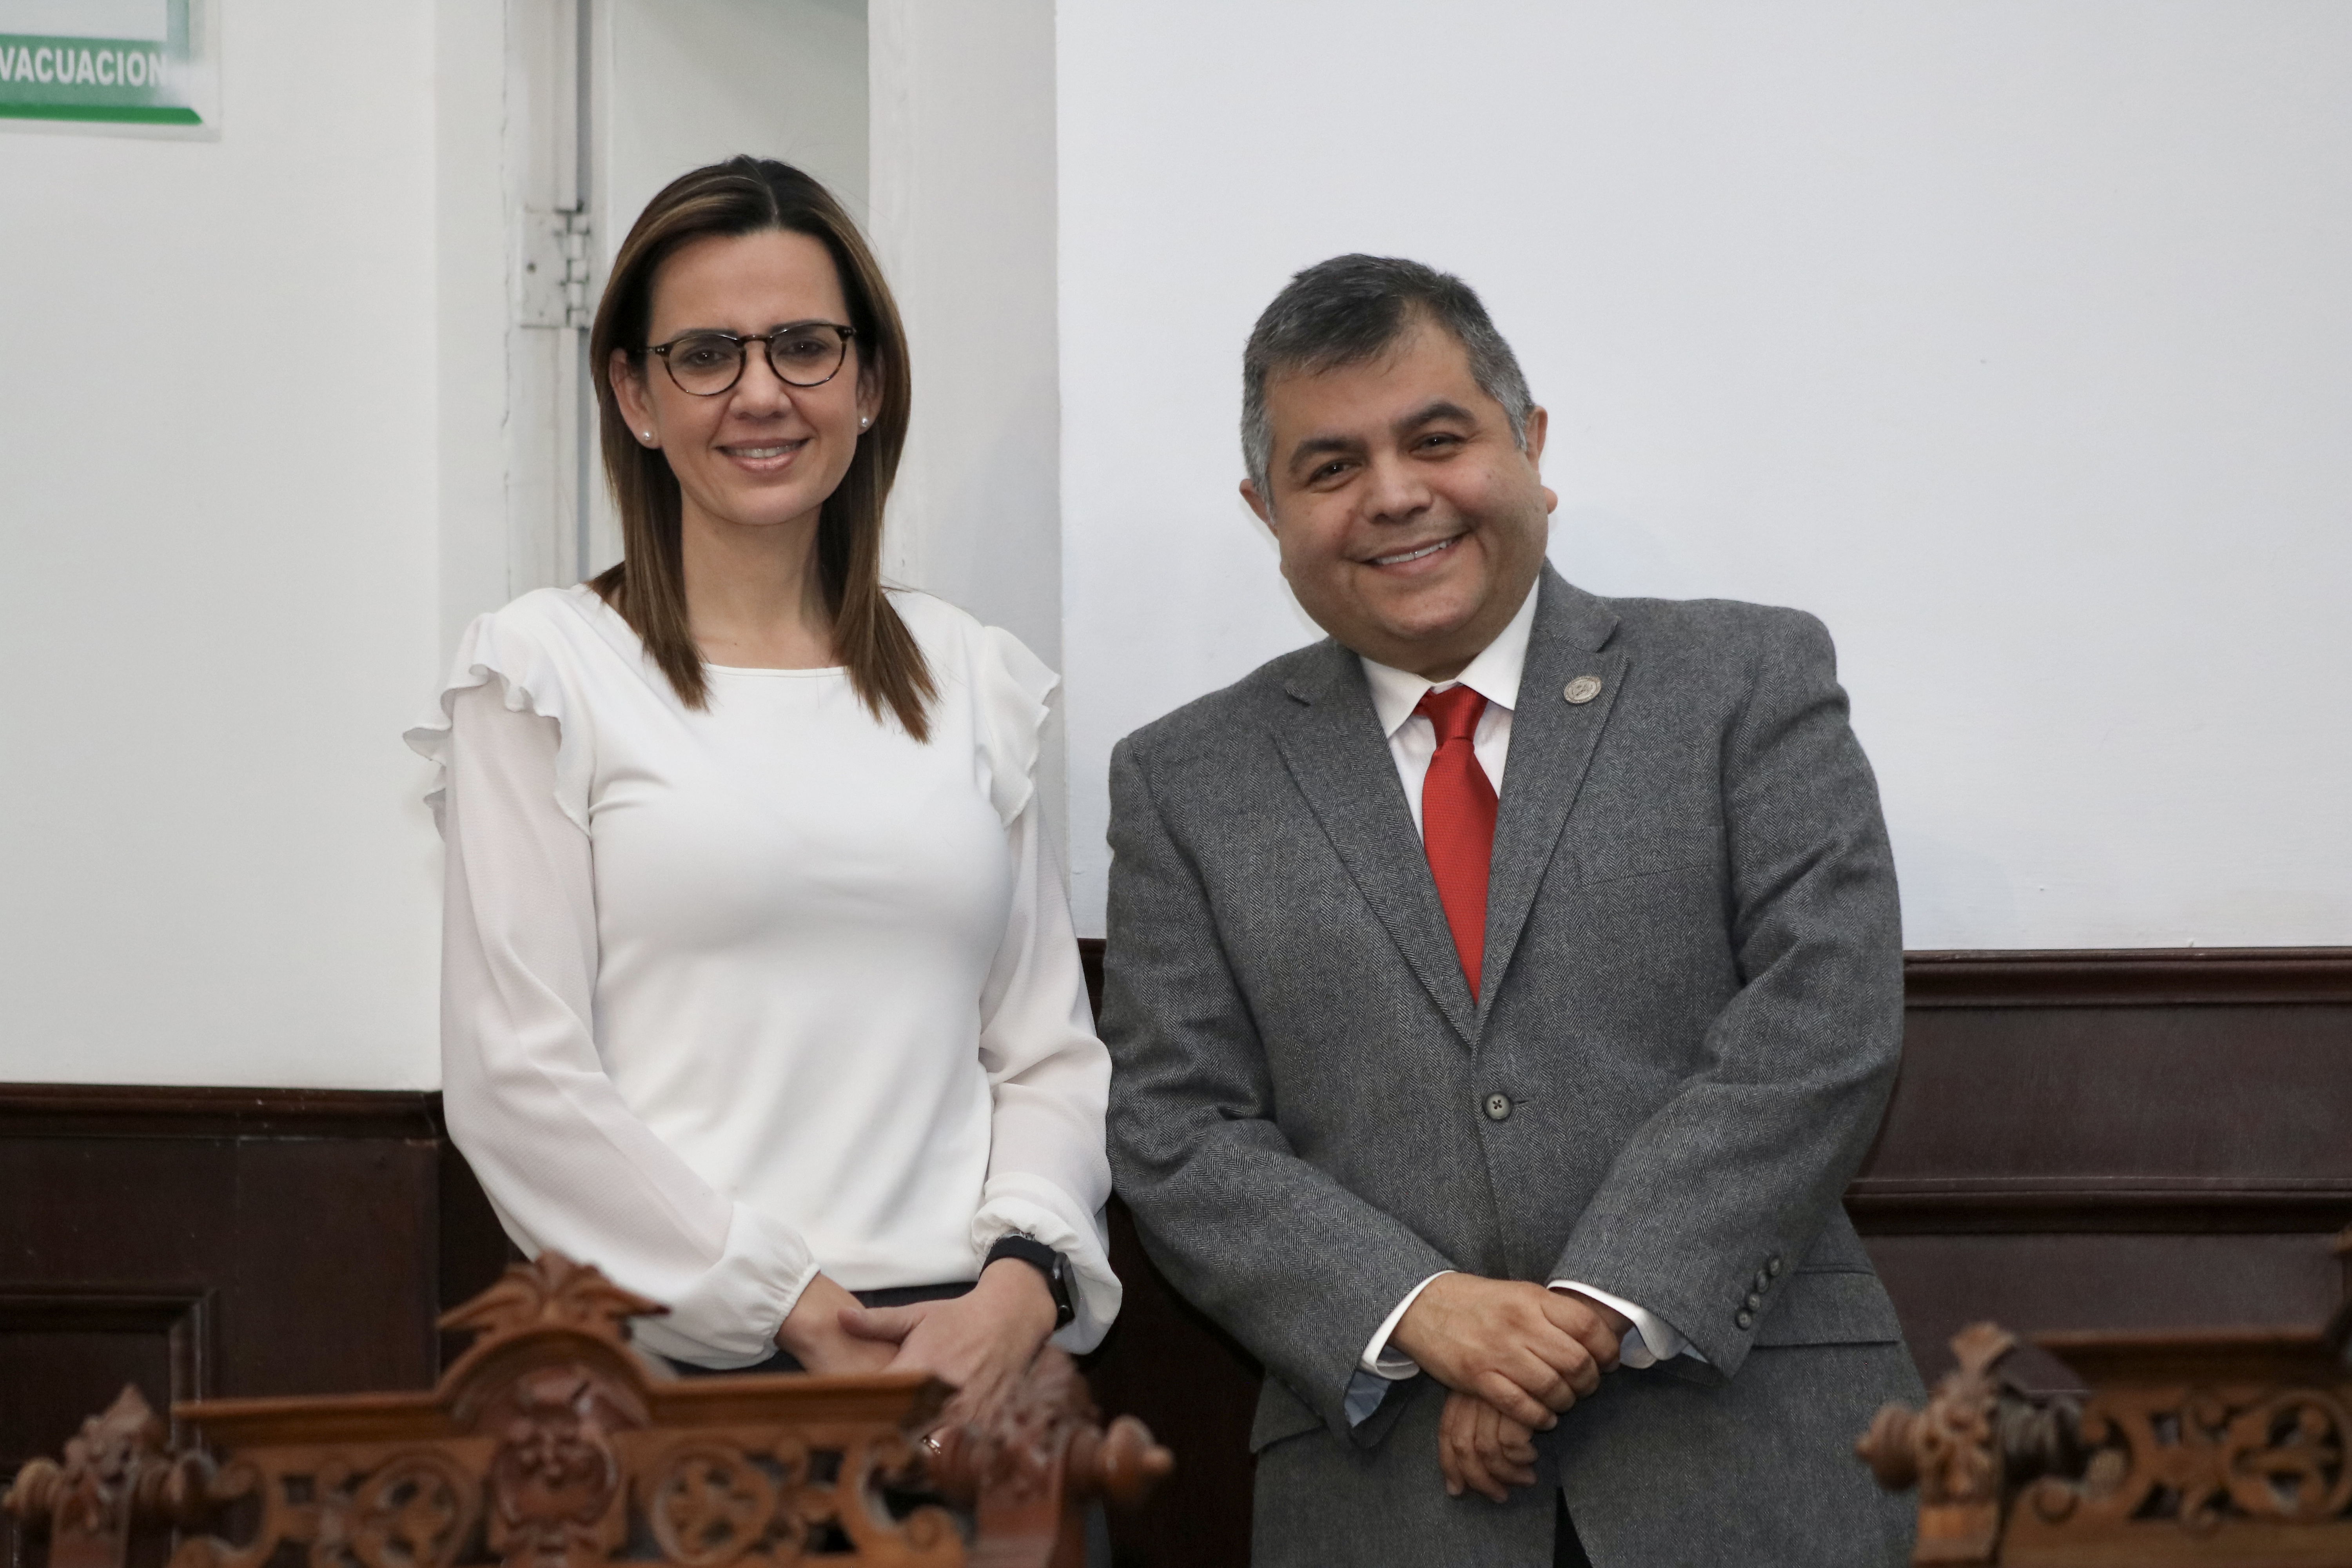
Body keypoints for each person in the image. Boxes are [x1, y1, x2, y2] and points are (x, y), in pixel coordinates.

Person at [1100, 254, 1922, 1566]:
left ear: (1530, 444)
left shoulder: (1744, 679)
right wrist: (1425, 1312)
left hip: (1755, 1457)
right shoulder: (1184, 780)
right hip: (1387, 1491)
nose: (1395, 496)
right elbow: (1176, 1130)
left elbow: (1822, 1024)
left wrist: (1590, 1311)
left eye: (1438, 439)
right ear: (1266, 511)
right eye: (1329, 468)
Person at [407, 158, 1116, 1413]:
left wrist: (1022, 1284)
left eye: (804, 346)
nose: (761, 394)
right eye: (704, 356)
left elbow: (1047, 1056)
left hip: (972, 1378)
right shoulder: (543, 671)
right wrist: (779, 1299)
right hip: (669, 1387)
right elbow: (517, 1077)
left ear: (870, 380)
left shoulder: (973, 678)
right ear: (633, 394)